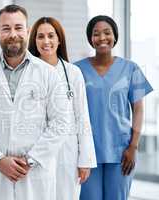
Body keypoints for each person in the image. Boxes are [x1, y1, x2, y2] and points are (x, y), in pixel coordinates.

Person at [0, 4, 68, 200]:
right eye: (6, 28)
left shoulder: (48, 74)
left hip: (35, 175)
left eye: (19, 27)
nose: (13, 34)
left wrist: (31, 160)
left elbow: (60, 123)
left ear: (27, 31)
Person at [74, 15, 153, 200]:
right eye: (96, 34)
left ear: (115, 36)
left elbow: (139, 109)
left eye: (107, 32)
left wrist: (133, 146)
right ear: (90, 39)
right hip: (87, 152)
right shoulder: (76, 70)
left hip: (121, 152)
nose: (102, 37)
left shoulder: (131, 69)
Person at [28, 17, 97, 200]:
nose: (46, 41)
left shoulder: (73, 73)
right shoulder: (27, 73)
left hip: (67, 153)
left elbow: (82, 116)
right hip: (36, 151)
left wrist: (85, 160)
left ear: (59, 40)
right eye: (40, 36)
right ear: (34, 41)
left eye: (51, 35)